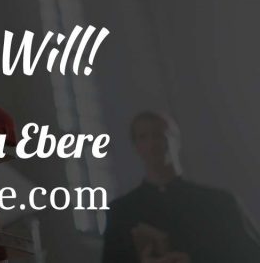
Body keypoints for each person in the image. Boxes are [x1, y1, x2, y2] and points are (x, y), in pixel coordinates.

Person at [102, 111, 260, 262]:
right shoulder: (121, 213)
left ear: (177, 140)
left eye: (159, 135)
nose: (152, 144)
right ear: (135, 146)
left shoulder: (219, 203)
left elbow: (250, 256)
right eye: (143, 137)